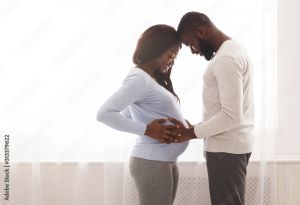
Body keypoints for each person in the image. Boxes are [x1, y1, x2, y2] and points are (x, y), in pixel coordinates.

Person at [96, 24, 191, 205]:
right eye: (170, 55)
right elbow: (104, 113)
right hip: (152, 160)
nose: (171, 61)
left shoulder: (151, 78)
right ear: (156, 48)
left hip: (164, 159)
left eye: (175, 58)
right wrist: (147, 130)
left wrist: (180, 126)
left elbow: (126, 114)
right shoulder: (139, 78)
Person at [166, 12, 254, 205]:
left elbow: (231, 116)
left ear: (201, 31)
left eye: (190, 43)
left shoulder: (226, 59)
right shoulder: (234, 50)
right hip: (230, 148)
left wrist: (192, 132)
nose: (193, 50)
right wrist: (197, 128)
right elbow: (227, 111)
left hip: (226, 149)